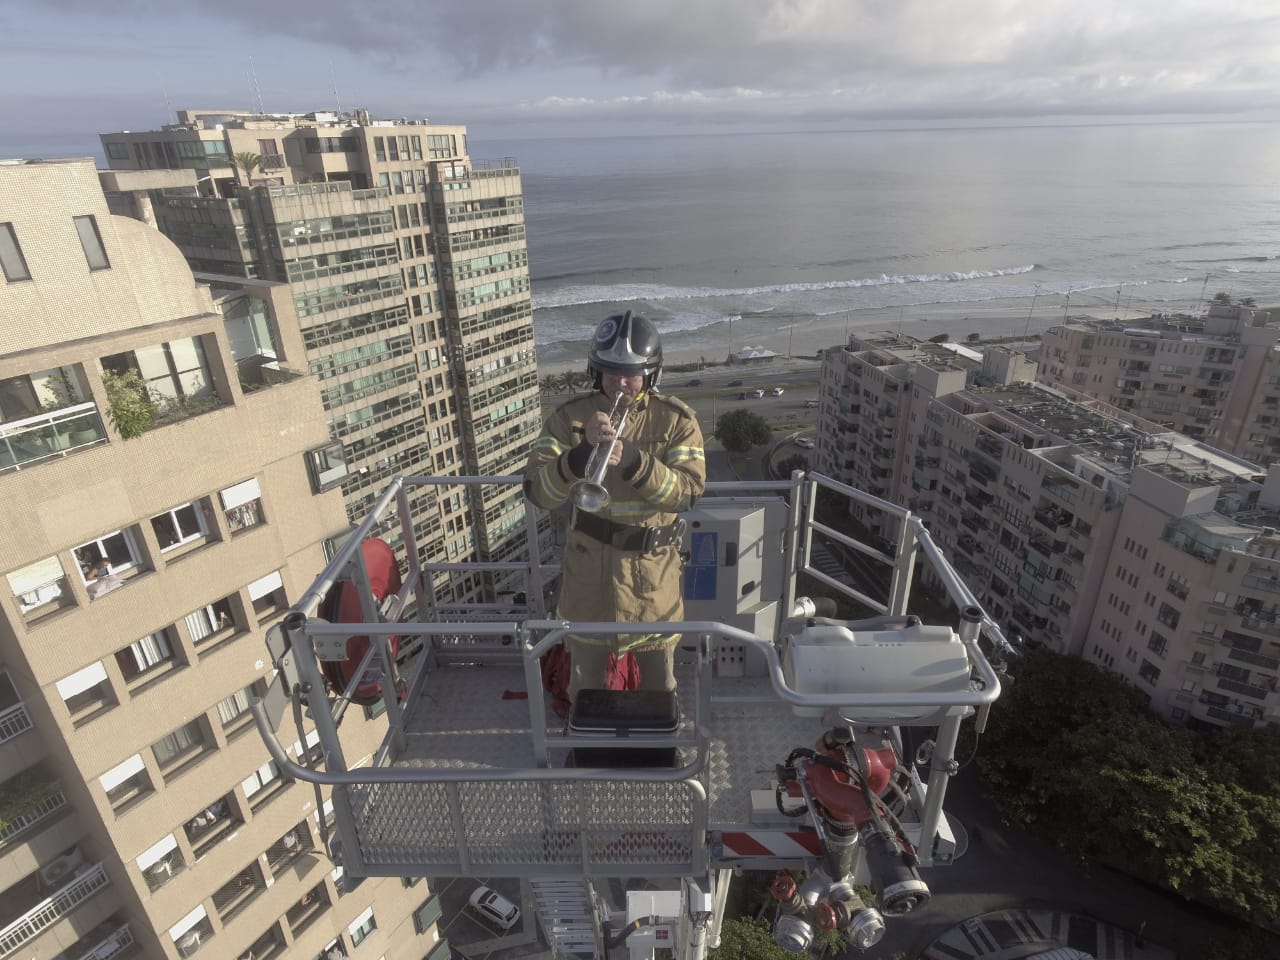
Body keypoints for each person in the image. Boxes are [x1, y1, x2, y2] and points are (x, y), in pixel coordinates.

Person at [525, 311, 705, 701]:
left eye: (631, 373)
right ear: (595, 370)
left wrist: (635, 461)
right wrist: (581, 453)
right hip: (588, 580)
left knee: (659, 688)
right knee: (585, 687)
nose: (620, 383)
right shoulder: (568, 418)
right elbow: (539, 493)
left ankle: (659, 750)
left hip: (653, 583)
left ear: (650, 374)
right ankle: (590, 751)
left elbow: (686, 494)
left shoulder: (677, 420)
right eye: (610, 372)